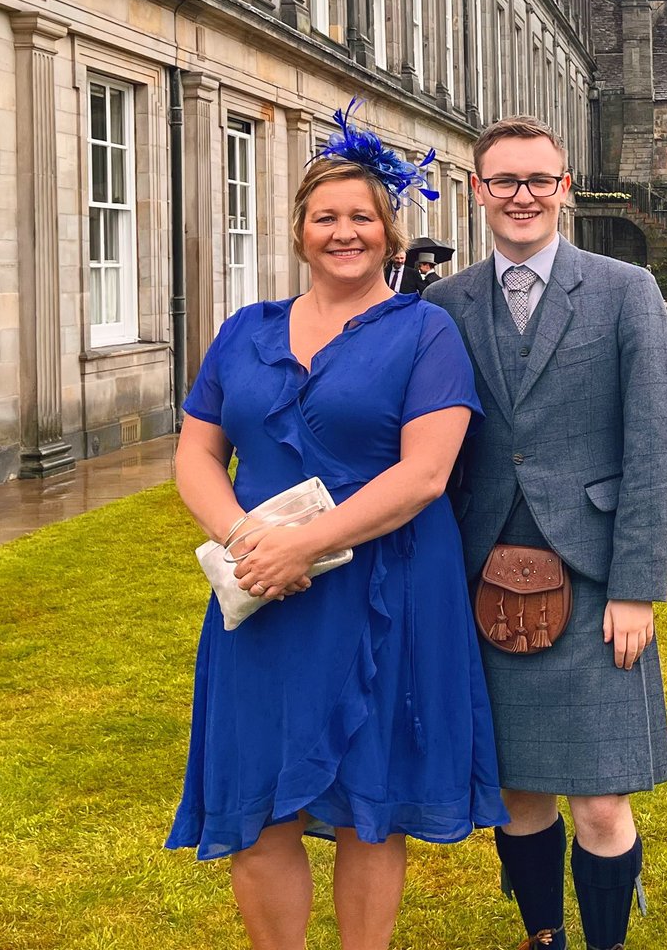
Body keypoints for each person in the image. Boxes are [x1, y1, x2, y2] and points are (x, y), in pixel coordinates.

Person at [166, 102, 508, 950]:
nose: (343, 232)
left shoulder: (427, 332)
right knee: (256, 801)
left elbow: (425, 474)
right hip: (263, 592)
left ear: (391, 234)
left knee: (370, 801)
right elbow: (195, 459)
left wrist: (304, 546)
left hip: (384, 587)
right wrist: (255, 548)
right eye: (327, 217)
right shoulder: (243, 333)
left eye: (362, 217)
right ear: (300, 230)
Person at [426, 116, 667, 950]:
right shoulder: (443, 304)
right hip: (480, 579)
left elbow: (656, 445)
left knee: (603, 798)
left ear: (565, 187)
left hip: (597, 579)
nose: (523, 196)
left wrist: (638, 586)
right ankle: (544, 938)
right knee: (519, 790)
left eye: (540, 180)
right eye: (505, 180)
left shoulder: (624, 291)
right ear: (478, 190)